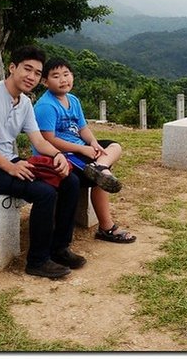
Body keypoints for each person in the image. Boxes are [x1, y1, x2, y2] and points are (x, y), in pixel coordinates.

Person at [0, 45, 85, 279]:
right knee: (44, 193)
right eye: (27, 69)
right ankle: (37, 261)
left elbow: (39, 142)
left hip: (11, 161)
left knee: (69, 180)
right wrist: (9, 166)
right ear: (12, 68)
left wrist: (58, 155)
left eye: (37, 73)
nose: (31, 76)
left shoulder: (25, 103)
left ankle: (60, 248)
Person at [33, 57, 137, 243]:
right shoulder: (46, 106)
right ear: (45, 81)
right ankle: (106, 227)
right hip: (59, 155)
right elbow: (49, 140)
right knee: (100, 180)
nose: (63, 79)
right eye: (56, 76)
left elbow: (83, 129)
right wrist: (83, 148)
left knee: (114, 146)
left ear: (72, 76)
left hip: (80, 149)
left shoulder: (73, 100)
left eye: (66, 74)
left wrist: (94, 144)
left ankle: (100, 167)